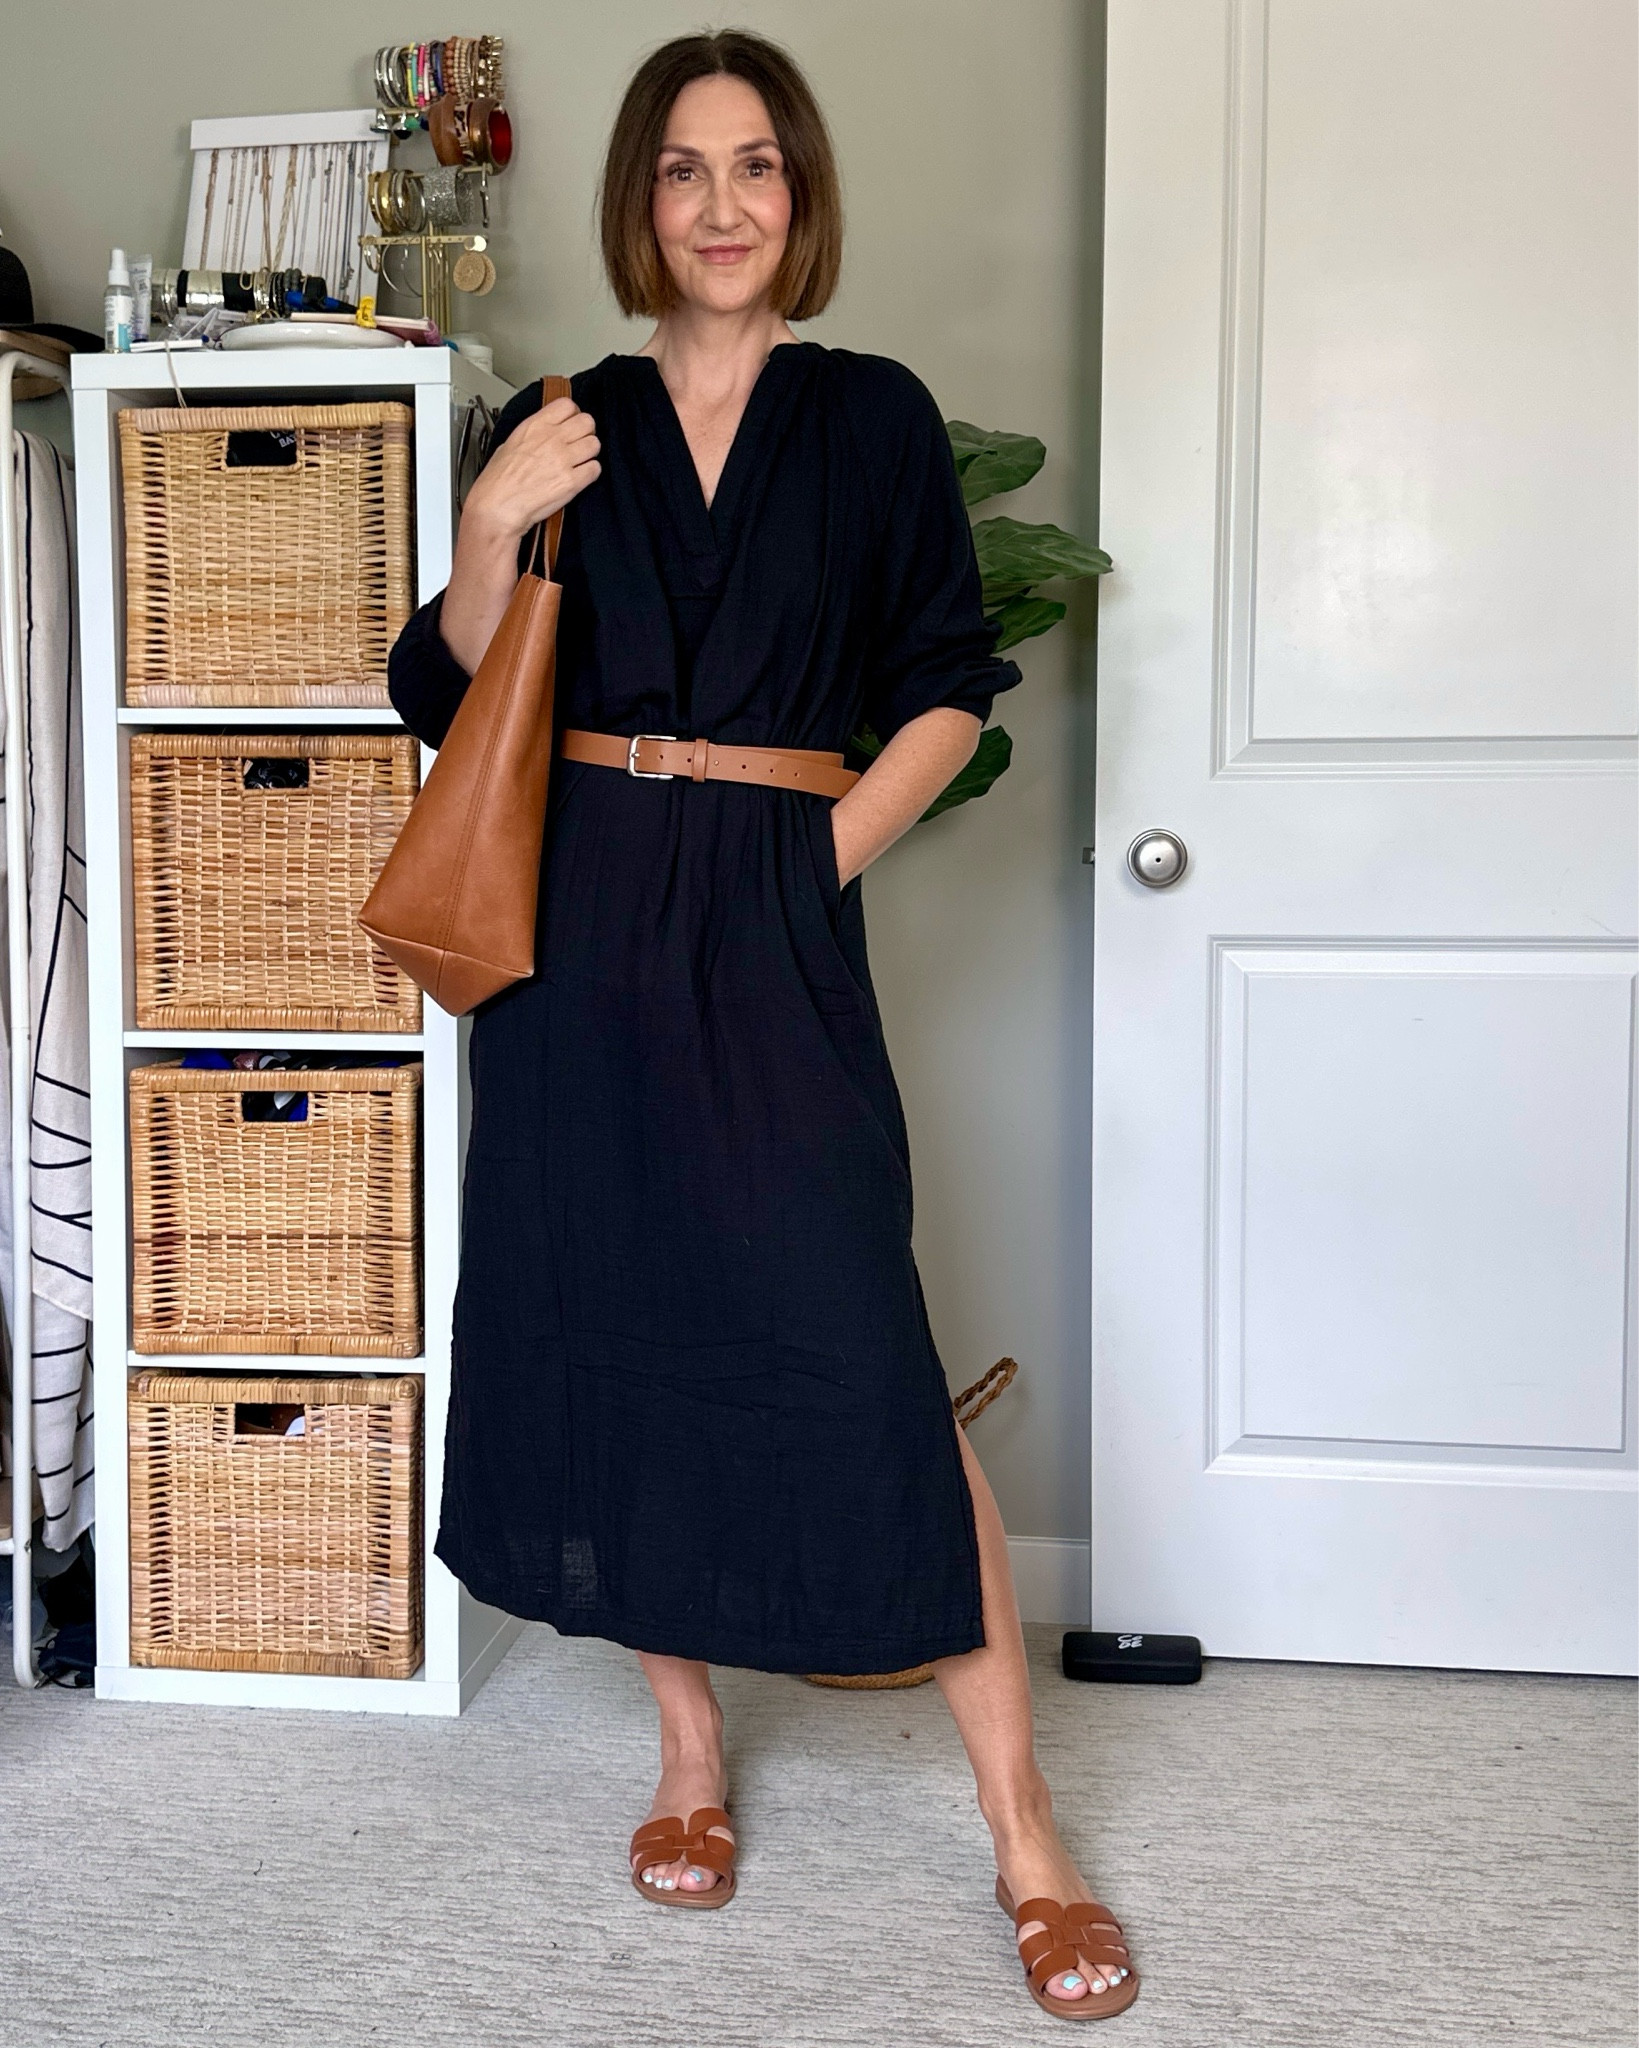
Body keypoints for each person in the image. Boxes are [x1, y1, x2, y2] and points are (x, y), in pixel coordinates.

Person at [387, 27, 1138, 2021]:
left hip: (771, 919)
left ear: (799, 201)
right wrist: (484, 534)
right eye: (683, 171)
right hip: (576, 941)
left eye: (758, 170)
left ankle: (1025, 1838)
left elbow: (949, 683)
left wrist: (806, 875)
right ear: (638, 200)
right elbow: (450, 698)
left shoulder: (871, 419)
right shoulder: (567, 420)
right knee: (611, 1325)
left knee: (854, 1347)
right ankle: (691, 1758)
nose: (721, 206)